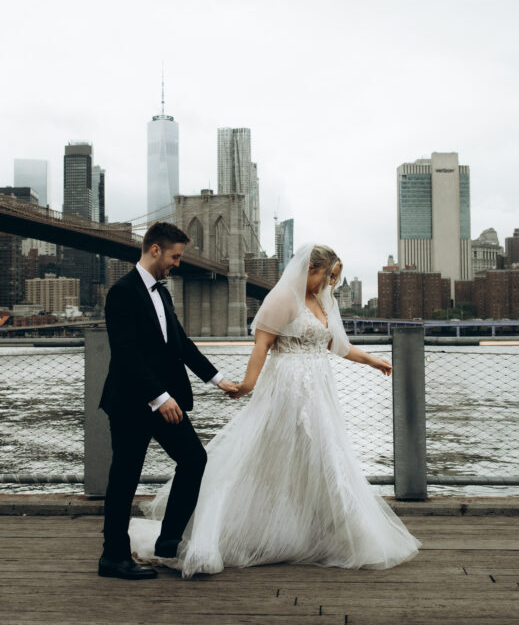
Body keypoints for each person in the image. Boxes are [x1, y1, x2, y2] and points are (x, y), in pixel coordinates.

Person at [129, 243, 420, 578]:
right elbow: (262, 345)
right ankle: (239, 530)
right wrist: (247, 384)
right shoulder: (283, 298)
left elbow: (336, 345)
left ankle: (331, 532)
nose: (329, 285)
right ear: (311, 267)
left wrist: (373, 361)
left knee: (326, 456)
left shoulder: (323, 300)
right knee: (268, 454)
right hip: (286, 387)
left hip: (318, 391)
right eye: (327, 277)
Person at [98, 222, 238, 580]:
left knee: (194, 459)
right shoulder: (121, 292)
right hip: (132, 402)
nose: (178, 263)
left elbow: (180, 344)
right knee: (125, 477)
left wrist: (219, 379)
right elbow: (126, 354)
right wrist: (159, 397)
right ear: (155, 250)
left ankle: (168, 542)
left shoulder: (164, 295)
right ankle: (113, 557)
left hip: (164, 401)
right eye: (175, 256)